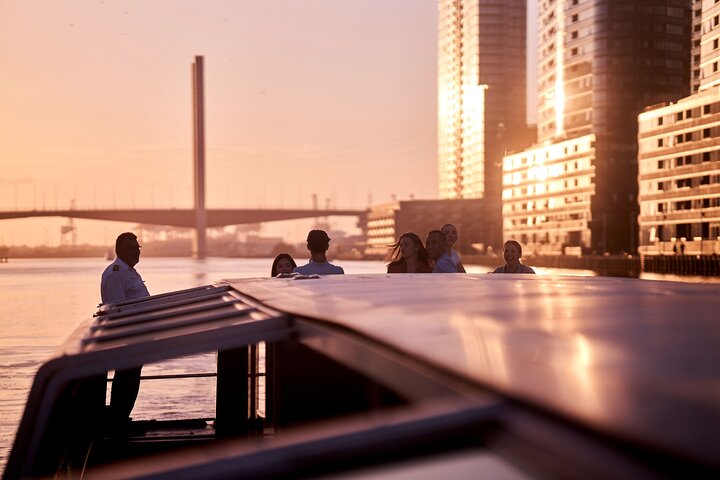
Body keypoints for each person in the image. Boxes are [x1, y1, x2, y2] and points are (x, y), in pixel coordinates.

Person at [100, 232, 150, 424]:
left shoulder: (128, 271)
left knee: (131, 378)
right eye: (131, 248)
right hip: (128, 337)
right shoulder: (116, 274)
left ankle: (121, 418)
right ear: (119, 250)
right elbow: (116, 309)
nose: (136, 252)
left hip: (138, 335)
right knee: (126, 379)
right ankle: (118, 420)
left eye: (137, 248)